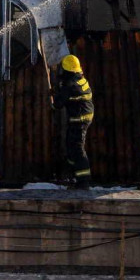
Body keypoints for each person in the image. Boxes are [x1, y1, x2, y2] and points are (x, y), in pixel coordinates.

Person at [53, 54, 94, 188]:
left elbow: (57, 105)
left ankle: (83, 181)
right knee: (71, 146)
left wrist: (55, 95)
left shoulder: (69, 85)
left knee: (77, 148)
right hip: (83, 117)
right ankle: (72, 175)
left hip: (79, 119)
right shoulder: (80, 79)